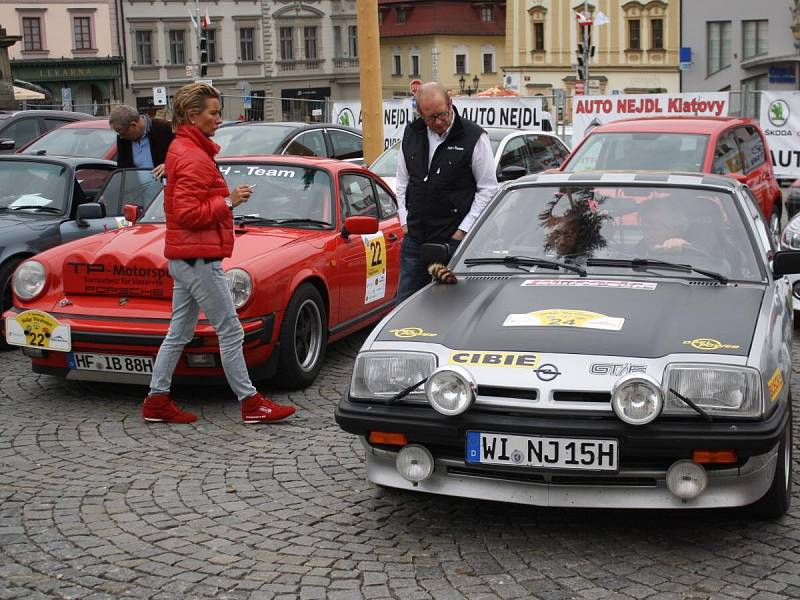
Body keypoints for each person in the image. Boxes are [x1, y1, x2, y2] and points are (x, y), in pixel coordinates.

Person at [141, 82, 295, 425]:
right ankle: (250, 402)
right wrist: (229, 201)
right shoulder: (192, 154)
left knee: (178, 332)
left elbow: (184, 199)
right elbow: (187, 214)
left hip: (187, 257)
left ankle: (157, 400)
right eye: (213, 113)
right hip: (198, 259)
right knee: (231, 329)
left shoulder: (185, 149)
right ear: (193, 117)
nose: (219, 119)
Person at [395, 82, 498, 302]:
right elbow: (403, 181)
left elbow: (488, 189)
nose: (439, 122)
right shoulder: (412, 133)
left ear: (451, 104)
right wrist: (404, 221)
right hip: (415, 239)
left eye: (442, 114)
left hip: (453, 241)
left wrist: (462, 232)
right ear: (420, 114)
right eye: (431, 118)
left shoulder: (473, 137)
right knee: (405, 304)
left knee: (451, 306)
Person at [109, 105, 174, 180]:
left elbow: (183, 157)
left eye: (123, 133)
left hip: (165, 188)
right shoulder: (123, 137)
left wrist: (169, 165)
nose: (121, 137)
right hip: (138, 189)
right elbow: (122, 168)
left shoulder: (165, 129)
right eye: (119, 134)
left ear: (133, 125)